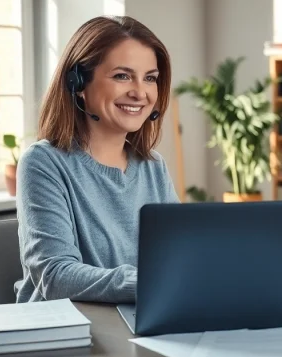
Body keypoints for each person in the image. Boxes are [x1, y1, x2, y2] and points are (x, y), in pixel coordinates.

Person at [15, 15, 179, 304]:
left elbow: (180, 256)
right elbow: (55, 275)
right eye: (122, 76)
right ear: (77, 82)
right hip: (66, 334)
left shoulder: (153, 166)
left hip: (137, 323)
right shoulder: (43, 163)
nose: (140, 92)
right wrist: (150, 283)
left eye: (150, 78)